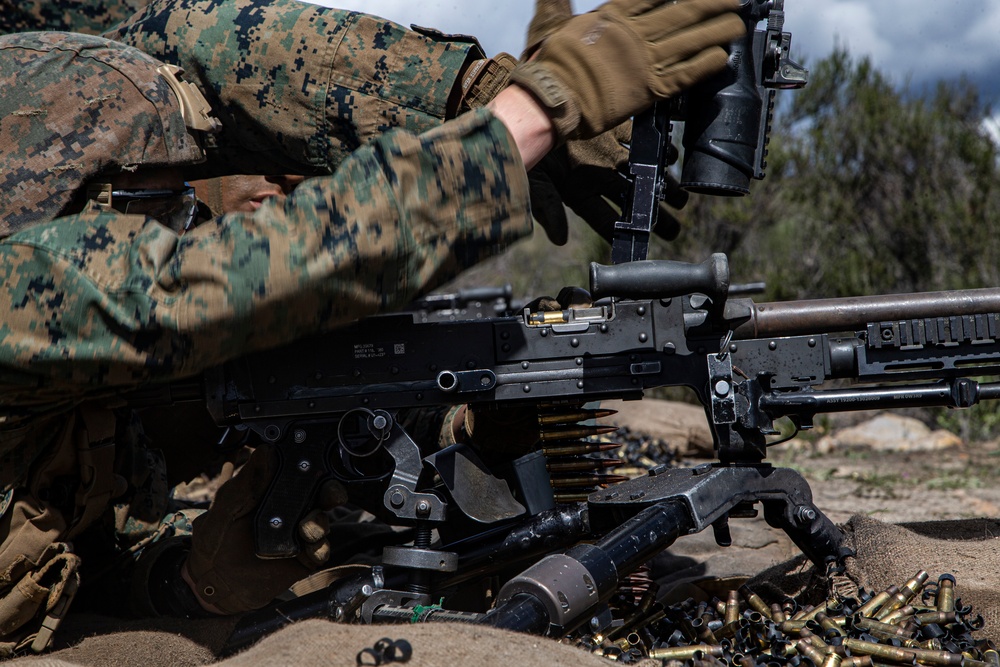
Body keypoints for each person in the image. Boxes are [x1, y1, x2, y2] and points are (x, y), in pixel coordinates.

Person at [0, 0, 743, 653]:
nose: (184, 223)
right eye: (151, 203)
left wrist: (188, 582)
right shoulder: (21, 297)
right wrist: (533, 114)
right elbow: (220, 283)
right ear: (43, 201)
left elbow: (88, 561)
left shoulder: (72, 384)